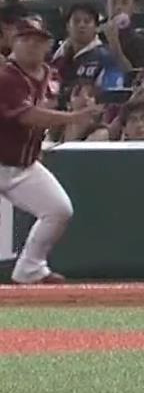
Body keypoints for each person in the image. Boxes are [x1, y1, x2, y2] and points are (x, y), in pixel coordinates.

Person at [0, 14, 99, 283]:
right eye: (25, 39)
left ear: (48, 45)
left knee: (58, 209)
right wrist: (72, 117)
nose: (32, 45)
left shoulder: (50, 74)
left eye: (38, 40)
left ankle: (30, 268)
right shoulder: (7, 76)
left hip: (23, 165)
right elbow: (27, 116)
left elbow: (43, 110)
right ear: (13, 42)